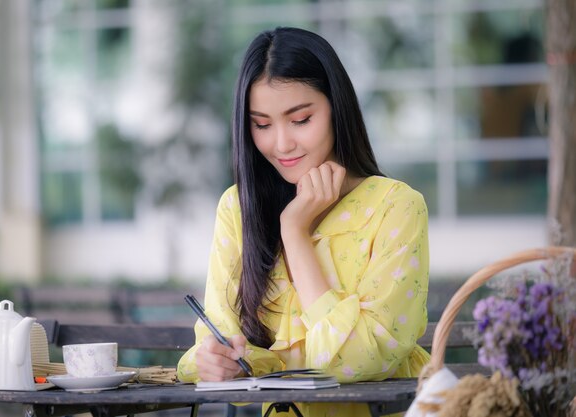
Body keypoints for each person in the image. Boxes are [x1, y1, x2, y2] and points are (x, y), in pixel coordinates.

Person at [177, 27, 430, 417]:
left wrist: (294, 232)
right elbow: (219, 347)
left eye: (300, 119)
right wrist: (214, 362)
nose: (281, 144)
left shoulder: (396, 207)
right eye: (262, 125)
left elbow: (356, 360)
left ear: (336, 108)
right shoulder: (238, 208)